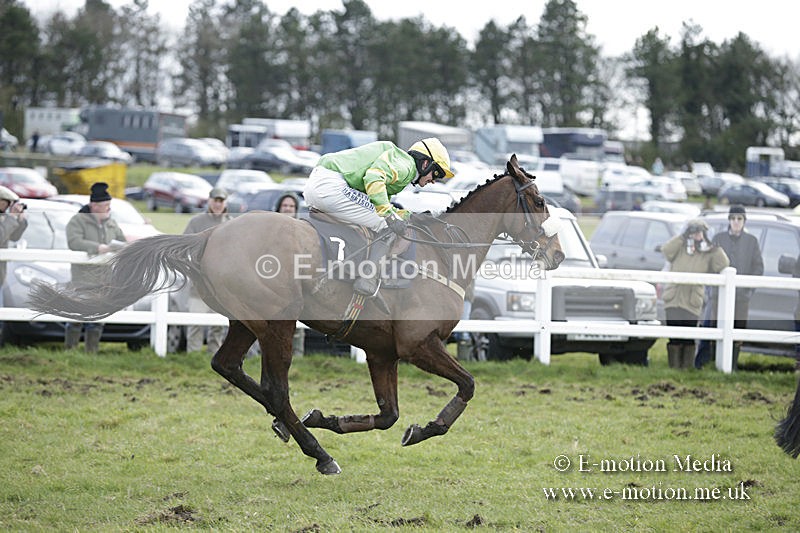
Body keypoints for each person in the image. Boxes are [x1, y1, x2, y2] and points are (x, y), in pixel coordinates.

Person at [303, 137, 453, 302]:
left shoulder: (399, 161)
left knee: (392, 218)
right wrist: (390, 216)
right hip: (331, 186)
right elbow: (373, 178)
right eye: (436, 173)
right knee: (388, 224)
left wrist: (407, 214)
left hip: (320, 182)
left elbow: (377, 201)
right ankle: (368, 278)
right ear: (425, 164)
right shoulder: (406, 166)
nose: (433, 181)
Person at [695, 205, 764, 369]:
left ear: (744, 221)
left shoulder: (751, 241)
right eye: (733, 219)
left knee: (737, 330)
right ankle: (707, 363)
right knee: (713, 326)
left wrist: (748, 289)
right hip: (719, 295)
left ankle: (731, 365)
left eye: (739, 219)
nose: (736, 222)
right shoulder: (719, 238)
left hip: (741, 296)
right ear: (729, 220)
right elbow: (708, 263)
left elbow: (758, 267)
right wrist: (712, 288)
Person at [65, 182, 127, 352]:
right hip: (82, 278)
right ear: (94, 206)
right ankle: (70, 351)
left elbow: (122, 240)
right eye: (105, 206)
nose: (108, 209)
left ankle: (91, 352)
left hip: (104, 279)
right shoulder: (78, 221)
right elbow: (74, 242)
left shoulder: (111, 223)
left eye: (109, 205)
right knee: (76, 318)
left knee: (97, 320)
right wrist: (97, 248)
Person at [661, 219, 729, 369]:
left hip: (692, 301)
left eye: (699, 232)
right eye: (693, 231)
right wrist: (682, 237)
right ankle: (674, 369)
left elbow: (723, 264)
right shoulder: (680, 247)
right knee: (674, 337)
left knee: (688, 337)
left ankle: (686, 369)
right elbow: (666, 251)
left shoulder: (708, 252)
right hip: (674, 298)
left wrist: (714, 247)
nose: (696, 235)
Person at [183, 187, 232, 354]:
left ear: (226, 203)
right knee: (195, 324)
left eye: (221, 201)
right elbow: (185, 247)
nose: (218, 204)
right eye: (215, 200)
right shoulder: (196, 222)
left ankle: (214, 355)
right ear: (209, 201)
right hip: (199, 286)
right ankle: (193, 356)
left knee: (218, 327)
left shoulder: (233, 224)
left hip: (223, 288)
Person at [275, 190, 304, 356]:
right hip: (274, 283)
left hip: (297, 284)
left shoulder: (302, 230)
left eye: (291, 206)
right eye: (285, 205)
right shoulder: (269, 230)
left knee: (298, 328)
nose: (288, 209)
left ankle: (298, 356)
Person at [0, 185, 29, 299]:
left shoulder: (4, 218)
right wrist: (12, 217)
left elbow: (14, 237)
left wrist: (21, 221)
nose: (10, 205)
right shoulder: (7, 219)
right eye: (8, 202)